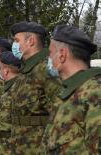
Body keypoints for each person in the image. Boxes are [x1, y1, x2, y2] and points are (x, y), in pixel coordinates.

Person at [42, 25, 101, 154]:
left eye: (50, 53)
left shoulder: (94, 94)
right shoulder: (70, 92)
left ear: (62, 55)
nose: (49, 59)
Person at [9, 21, 60, 154]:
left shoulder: (46, 69)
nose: (14, 45)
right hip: (21, 145)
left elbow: (61, 115)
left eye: (16, 40)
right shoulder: (27, 69)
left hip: (38, 148)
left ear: (31, 41)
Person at [0, 51, 23, 154]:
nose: (0, 72)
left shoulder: (16, 90)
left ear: (6, 71)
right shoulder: (10, 88)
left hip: (8, 147)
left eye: (1, 69)